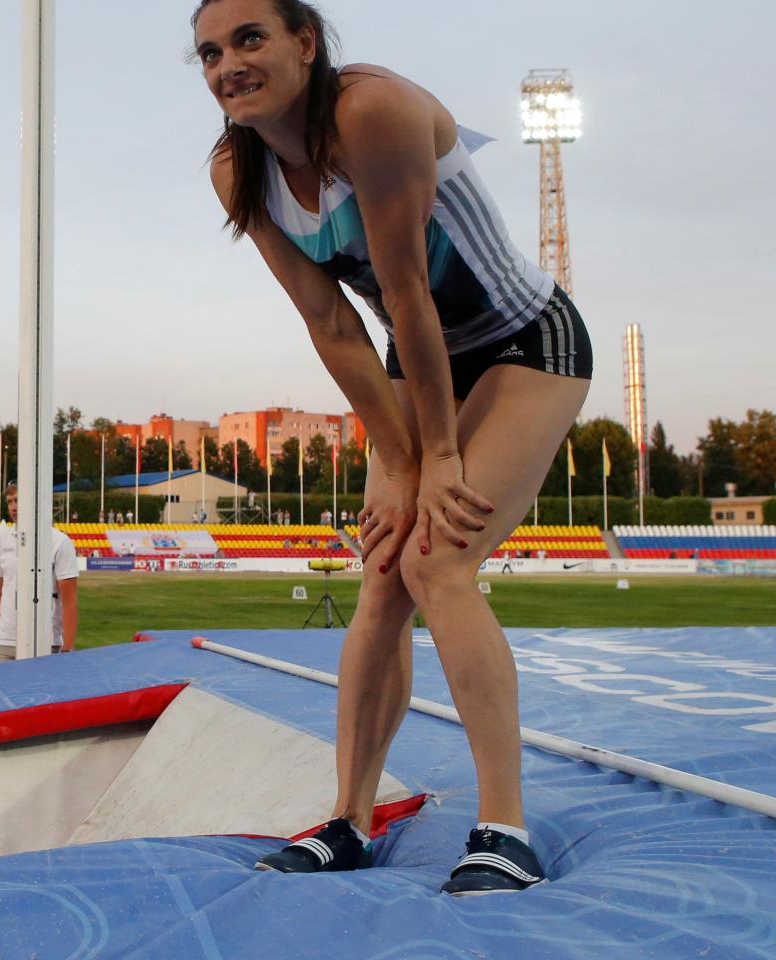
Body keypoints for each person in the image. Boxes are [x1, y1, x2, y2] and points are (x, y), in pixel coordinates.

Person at [191, 0, 590, 895]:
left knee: (438, 561)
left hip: (524, 340)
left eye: (249, 39)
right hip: (422, 361)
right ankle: (347, 820)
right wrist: (393, 451)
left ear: (306, 42)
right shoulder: (235, 168)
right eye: (210, 52)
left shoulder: (371, 111)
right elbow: (331, 321)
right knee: (380, 569)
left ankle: (506, 830)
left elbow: (408, 293)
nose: (227, 65)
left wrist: (435, 456)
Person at [0, 483, 78, 665]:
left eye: (18, 500)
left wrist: (68, 648)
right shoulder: (1, 541)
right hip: (4, 641)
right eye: (10, 502)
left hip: (46, 642)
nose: (13, 506)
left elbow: (69, 600)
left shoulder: (59, 542)